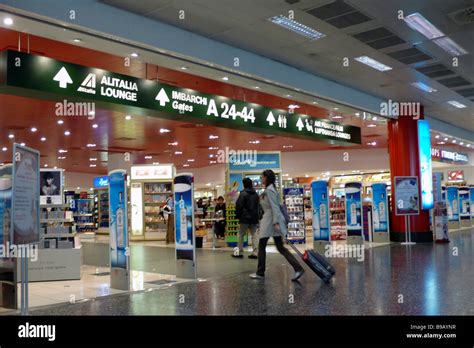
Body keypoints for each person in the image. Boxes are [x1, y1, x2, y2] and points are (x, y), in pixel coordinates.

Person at [250, 169, 304, 281]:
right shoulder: (271, 190)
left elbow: (275, 208)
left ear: (267, 178)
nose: (261, 179)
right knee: (280, 247)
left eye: (263, 177)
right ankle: (298, 268)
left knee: (262, 245)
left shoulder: (270, 191)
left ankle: (260, 272)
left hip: (270, 221)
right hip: (270, 221)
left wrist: (276, 223)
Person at [233, 178, 259, 259]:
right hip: (254, 217)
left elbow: (239, 206)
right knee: (254, 235)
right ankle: (255, 253)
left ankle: (239, 252)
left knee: (241, 234)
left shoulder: (243, 194)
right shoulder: (256, 194)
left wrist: (238, 216)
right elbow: (258, 206)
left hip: (244, 217)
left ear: (244, 184)